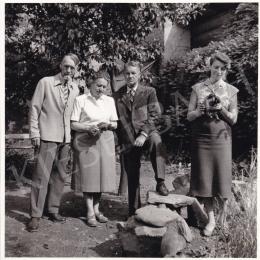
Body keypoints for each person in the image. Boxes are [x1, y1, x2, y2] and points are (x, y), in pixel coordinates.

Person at [187, 52, 239, 236]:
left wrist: (221, 109)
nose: (218, 71)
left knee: (223, 179)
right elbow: (189, 116)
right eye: (216, 67)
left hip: (222, 138)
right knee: (206, 180)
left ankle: (223, 220)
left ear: (226, 70)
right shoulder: (198, 88)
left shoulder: (231, 90)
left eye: (222, 68)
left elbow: (233, 119)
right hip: (202, 138)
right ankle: (211, 220)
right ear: (210, 66)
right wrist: (200, 111)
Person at [28, 53, 80, 232]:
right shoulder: (46, 83)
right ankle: (35, 215)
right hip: (47, 136)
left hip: (65, 139)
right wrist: (34, 132)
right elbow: (35, 108)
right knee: (41, 175)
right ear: (60, 65)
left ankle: (53, 209)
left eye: (72, 68)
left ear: (76, 70)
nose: (68, 70)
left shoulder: (75, 89)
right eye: (66, 66)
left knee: (60, 176)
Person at [115, 61, 169, 218]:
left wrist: (144, 133)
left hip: (147, 132)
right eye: (127, 73)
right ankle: (134, 211)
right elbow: (116, 120)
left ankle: (160, 181)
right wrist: (119, 143)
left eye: (133, 73)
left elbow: (155, 114)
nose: (130, 76)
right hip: (128, 138)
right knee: (132, 174)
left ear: (139, 74)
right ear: (123, 75)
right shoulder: (118, 95)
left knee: (156, 142)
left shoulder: (149, 91)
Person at [71, 72, 118, 227]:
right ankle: (90, 211)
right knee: (88, 176)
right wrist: (87, 127)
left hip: (105, 139)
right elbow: (73, 123)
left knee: (101, 177)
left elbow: (115, 123)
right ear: (90, 84)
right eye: (98, 85)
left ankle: (97, 209)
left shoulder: (109, 101)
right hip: (85, 139)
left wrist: (108, 125)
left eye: (104, 86)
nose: (101, 89)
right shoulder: (81, 100)